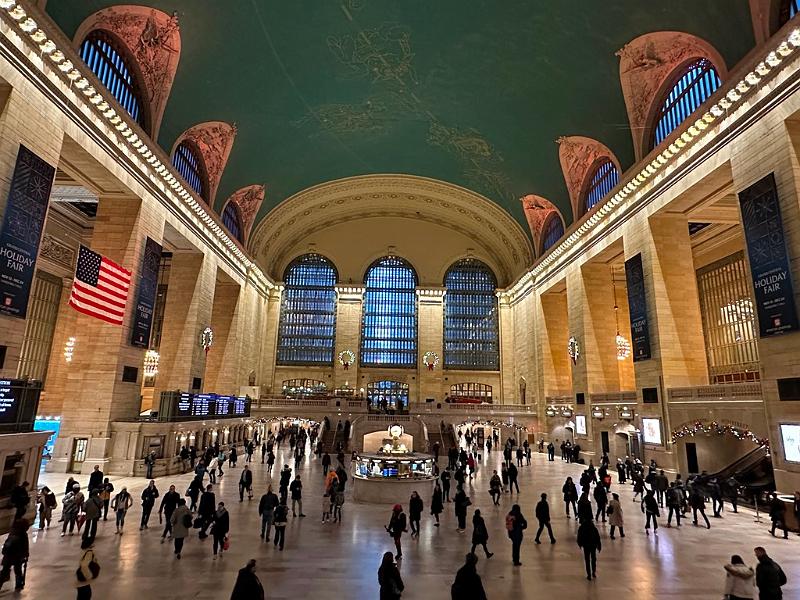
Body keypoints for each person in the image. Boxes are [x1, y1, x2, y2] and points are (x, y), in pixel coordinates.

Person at [0, 518, 28, 592]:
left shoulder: (12, 531)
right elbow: (25, 546)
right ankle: (18, 585)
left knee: (4, 572)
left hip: (8, 555)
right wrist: (26, 555)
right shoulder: (23, 534)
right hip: (17, 556)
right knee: (18, 571)